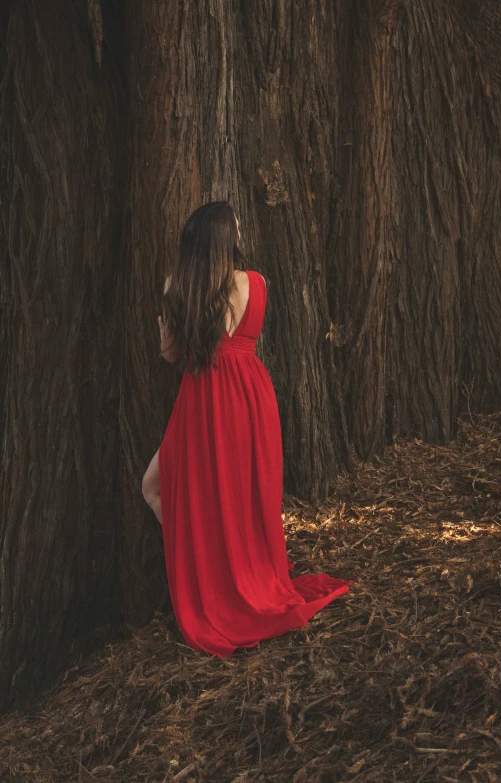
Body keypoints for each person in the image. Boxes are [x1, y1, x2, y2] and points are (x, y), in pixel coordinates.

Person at [141, 201, 353, 658]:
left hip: (202, 399)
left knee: (158, 490)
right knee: (238, 496)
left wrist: (164, 350)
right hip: (249, 399)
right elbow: (237, 339)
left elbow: (180, 357)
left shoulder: (176, 287)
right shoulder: (254, 283)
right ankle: (224, 580)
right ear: (225, 239)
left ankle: (212, 585)